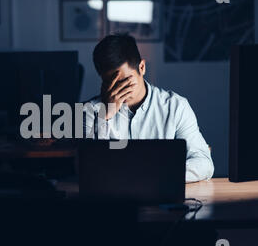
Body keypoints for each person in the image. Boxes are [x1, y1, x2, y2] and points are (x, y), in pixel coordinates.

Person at [83, 33, 214, 183]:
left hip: (163, 195)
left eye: (125, 81)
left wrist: (157, 175)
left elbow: (204, 164)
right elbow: (89, 170)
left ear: (142, 67)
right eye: (110, 84)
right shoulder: (90, 111)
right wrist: (106, 115)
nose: (119, 90)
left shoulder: (176, 106)